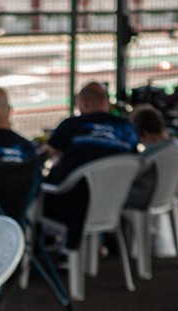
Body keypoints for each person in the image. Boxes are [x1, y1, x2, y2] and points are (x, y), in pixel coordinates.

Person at [40, 81, 139, 250]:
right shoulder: (127, 128)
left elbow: (45, 155)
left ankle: (51, 247)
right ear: (106, 102)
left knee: (40, 189)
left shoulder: (71, 125)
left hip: (71, 205)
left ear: (84, 102)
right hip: (115, 201)